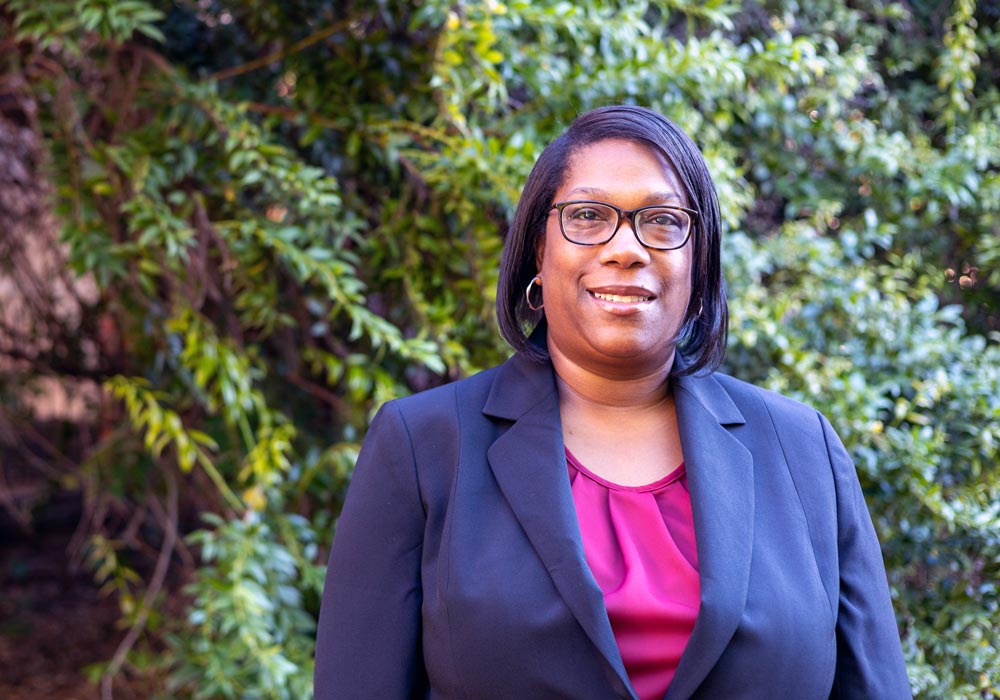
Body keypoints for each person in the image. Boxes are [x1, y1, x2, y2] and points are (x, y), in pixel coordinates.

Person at [313, 105, 912, 699]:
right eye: (588, 216)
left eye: (663, 220)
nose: (626, 249)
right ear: (538, 253)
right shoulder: (422, 447)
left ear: (699, 263)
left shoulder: (804, 451)